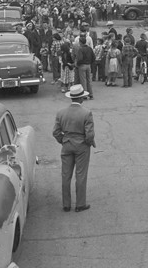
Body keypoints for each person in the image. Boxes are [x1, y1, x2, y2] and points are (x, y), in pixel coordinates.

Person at [53, 84, 96, 213]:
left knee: (66, 175)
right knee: (81, 175)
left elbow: (55, 132)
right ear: (81, 98)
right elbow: (89, 134)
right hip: (81, 145)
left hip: (67, 144)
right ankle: (80, 204)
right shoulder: (86, 113)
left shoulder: (61, 113)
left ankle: (66, 204)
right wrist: (87, 143)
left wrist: (64, 140)